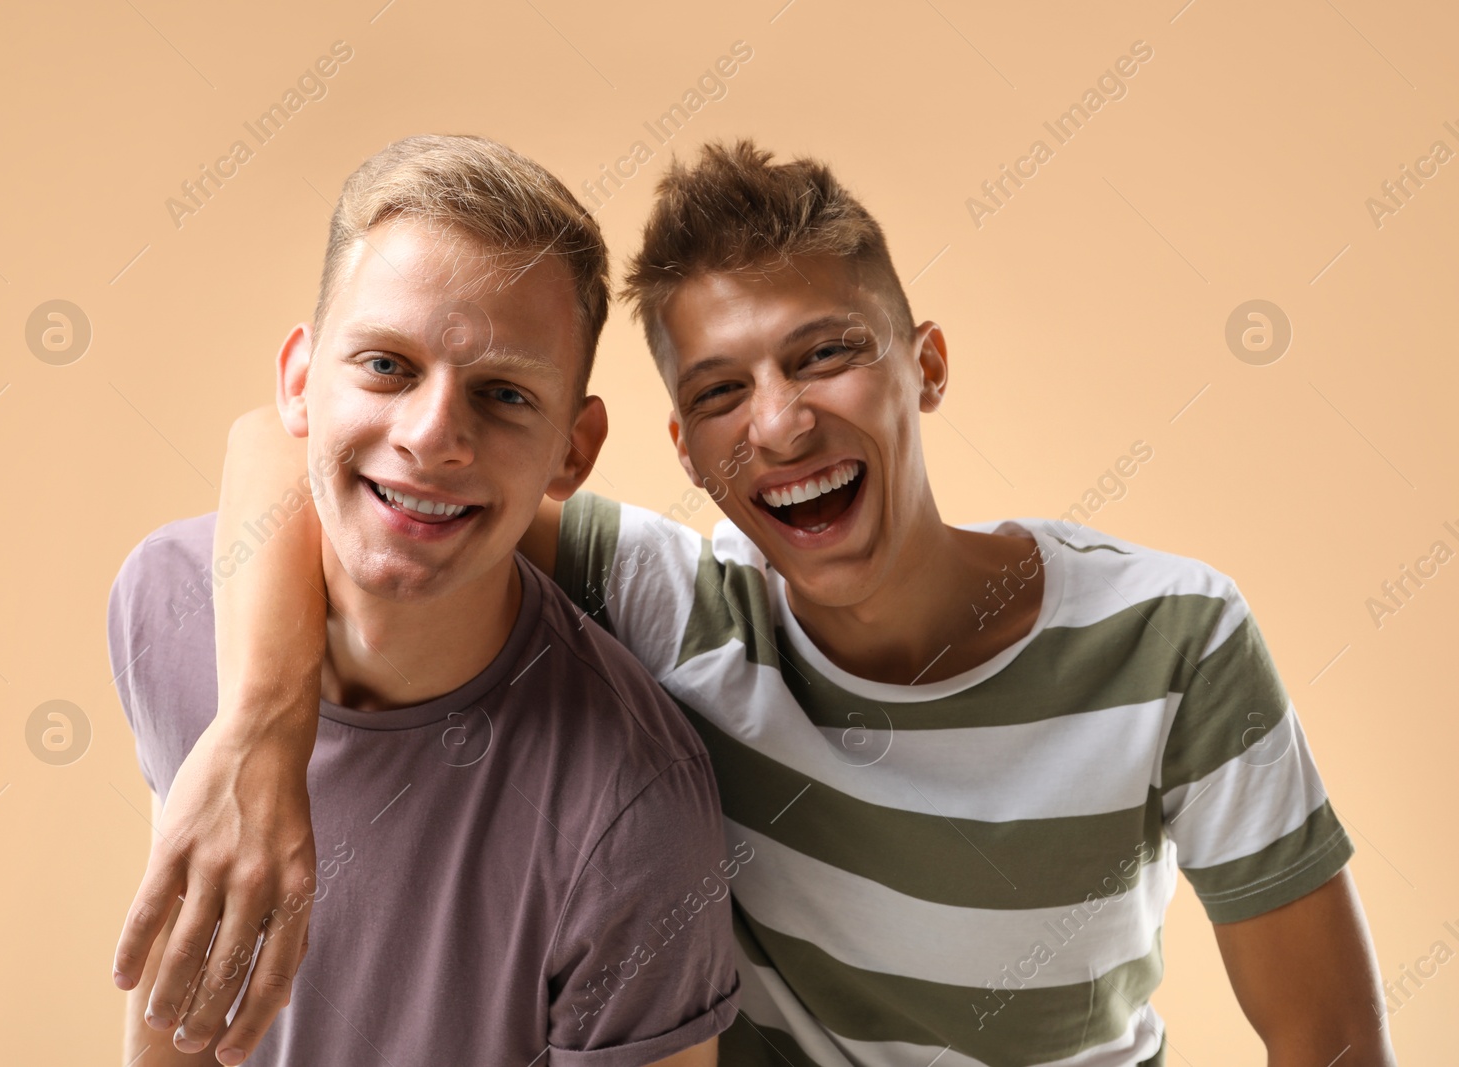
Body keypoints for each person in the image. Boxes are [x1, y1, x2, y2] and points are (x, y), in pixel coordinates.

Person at [122, 140, 1396, 1066]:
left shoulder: (1172, 639)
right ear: (677, 447)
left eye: (825, 351)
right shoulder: (675, 605)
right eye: (723, 389)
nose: (781, 421)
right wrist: (261, 735)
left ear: (926, 364)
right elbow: (297, 457)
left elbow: (1330, 1038)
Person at [106, 134, 740, 1067]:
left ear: (575, 447)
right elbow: (189, 979)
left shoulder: (635, 813)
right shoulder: (165, 606)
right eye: (386, 366)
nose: (433, 435)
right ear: (298, 381)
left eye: (504, 394)